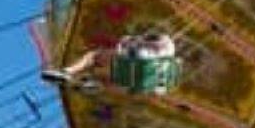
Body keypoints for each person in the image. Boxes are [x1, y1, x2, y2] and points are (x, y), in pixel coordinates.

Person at [42, 31, 181, 96]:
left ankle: (68, 72)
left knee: (94, 56)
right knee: (118, 82)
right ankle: (97, 85)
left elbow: (138, 41)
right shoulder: (170, 56)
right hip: (147, 83)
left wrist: (127, 41)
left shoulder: (163, 39)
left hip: (141, 61)